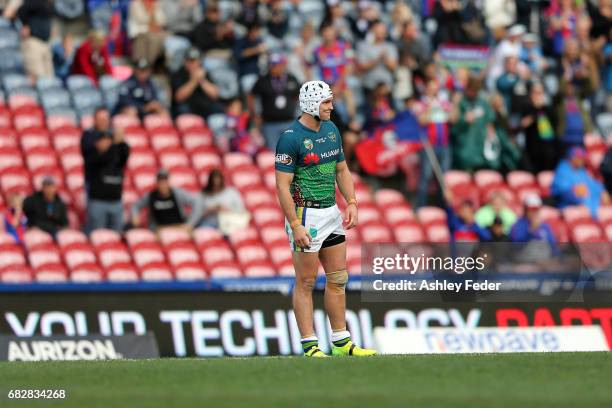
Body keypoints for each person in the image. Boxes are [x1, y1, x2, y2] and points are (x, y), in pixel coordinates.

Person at [275, 80, 375, 357]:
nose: (332, 107)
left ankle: (341, 342)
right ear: (310, 104)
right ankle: (310, 345)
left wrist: (352, 202)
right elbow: (282, 186)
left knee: (338, 278)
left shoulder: (331, 130)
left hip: (331, 211)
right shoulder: (290, 137)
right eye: (326, 102)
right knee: (306, 282)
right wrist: (295, 224)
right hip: (305, 214)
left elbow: (342, 170)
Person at [412, 78, 455, 208]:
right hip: (428, 145)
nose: (433, 90)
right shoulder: (420, 104)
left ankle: (442, 206)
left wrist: (449, 107)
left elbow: (453, 117)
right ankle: (420, 206)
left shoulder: (443, 103)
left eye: (435, 87)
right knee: (426, 175)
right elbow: (420, 121)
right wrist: (431, 108)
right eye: (431, 87)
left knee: (444, 177)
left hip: (444, 143)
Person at [248, 53, 300, 150]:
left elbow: (298, 94)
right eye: (272, 65)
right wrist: (254, 114)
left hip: (289, 122)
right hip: (270, 124)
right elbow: (251, 95)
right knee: (273, 153)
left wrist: (291, 107)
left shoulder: (291, 78)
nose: (275, 68)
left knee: (291, 151)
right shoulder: (263, 80)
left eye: (278, 65)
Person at [83, 126, 130, 234]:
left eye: (108, 140)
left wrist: (122, 142)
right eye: (103, 141)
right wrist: (115, 144)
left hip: (116, 202)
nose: (106, 143)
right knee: (97, 235)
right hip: (98, 202)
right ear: (96, 143)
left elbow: (125, 153)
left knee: (117, 236)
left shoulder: (116, 155)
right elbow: (106, 158)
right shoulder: (92, 157)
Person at [130, 169, 204, 231]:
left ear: (168, 182)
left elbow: (197, 202)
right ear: (157, 183)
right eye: (160, 181)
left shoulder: (177, 193)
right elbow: (135, 205)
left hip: (178, 227)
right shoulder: (151, 196)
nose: (163, 184)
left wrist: (190, 224)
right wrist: (135, 216)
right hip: (159, 229)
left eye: (165, 181)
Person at [551, 147, 609, 217]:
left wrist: (602, 191)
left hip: (587, 206)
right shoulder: (563, 170)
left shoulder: (581, 170)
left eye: (582, 158)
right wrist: (577, 195)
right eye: (579, 158)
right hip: (569, 207)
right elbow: (562, 191)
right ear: (572, 158)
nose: (582, 160)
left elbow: (591, 184)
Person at [171, 47, 222, 119]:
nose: (193, 63)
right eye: (190, 60)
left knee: (219, 108)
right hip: (188, 107)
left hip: (204, 106)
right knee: (183, 109)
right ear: (185, 61)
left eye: (195, 60)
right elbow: (179, 98)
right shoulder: (179, 74)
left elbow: (215, 95)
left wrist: (202, 81)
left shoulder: (204, 73)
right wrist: (193, 81)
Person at [520, 82, 559, 173]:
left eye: (540, 93)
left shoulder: (548, 109)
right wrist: (537, 108)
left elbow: (554, 123)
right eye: (536, 93)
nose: (538, 96)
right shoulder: (527, 108)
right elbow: (525, 124)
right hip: (534, 151)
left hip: (549, 149)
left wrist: (541, 108)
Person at [510, 194, 559, 261]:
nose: (534, 212)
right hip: (525, 260)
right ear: (525, 209)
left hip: (544, 262)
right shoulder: (518, 225)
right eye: (531, 209)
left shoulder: (545, 226)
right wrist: (531, 230)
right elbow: (517, 247)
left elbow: (553, 246)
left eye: (536, 209)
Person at [356, 20, 398, 91]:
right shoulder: (362, 45)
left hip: (387, 85)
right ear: (372, 30)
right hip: (369, 85)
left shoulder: (390, 46)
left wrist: (385, 58)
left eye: (383, 31)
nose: (381, 33)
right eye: (378, 30)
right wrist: (378, 59)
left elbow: (393, 67)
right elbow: (362, 66)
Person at [17, 0, 54, 79]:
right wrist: (25, 24)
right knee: (37, 77)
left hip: (45, 43)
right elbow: (21, 10)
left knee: (49, 80)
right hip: (33, 41)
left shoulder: (48, 4)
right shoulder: (36, 1)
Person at [128, 0, 167, 65]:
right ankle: (147, 64)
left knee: (166, 37)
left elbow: (162, 20)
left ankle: (157, 64)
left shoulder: (156, 4)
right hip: (140, 31)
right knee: (153, 39)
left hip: (155, 31)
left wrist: (156, 25)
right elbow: (141, 19)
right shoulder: (136, 4)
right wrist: (151, 11)